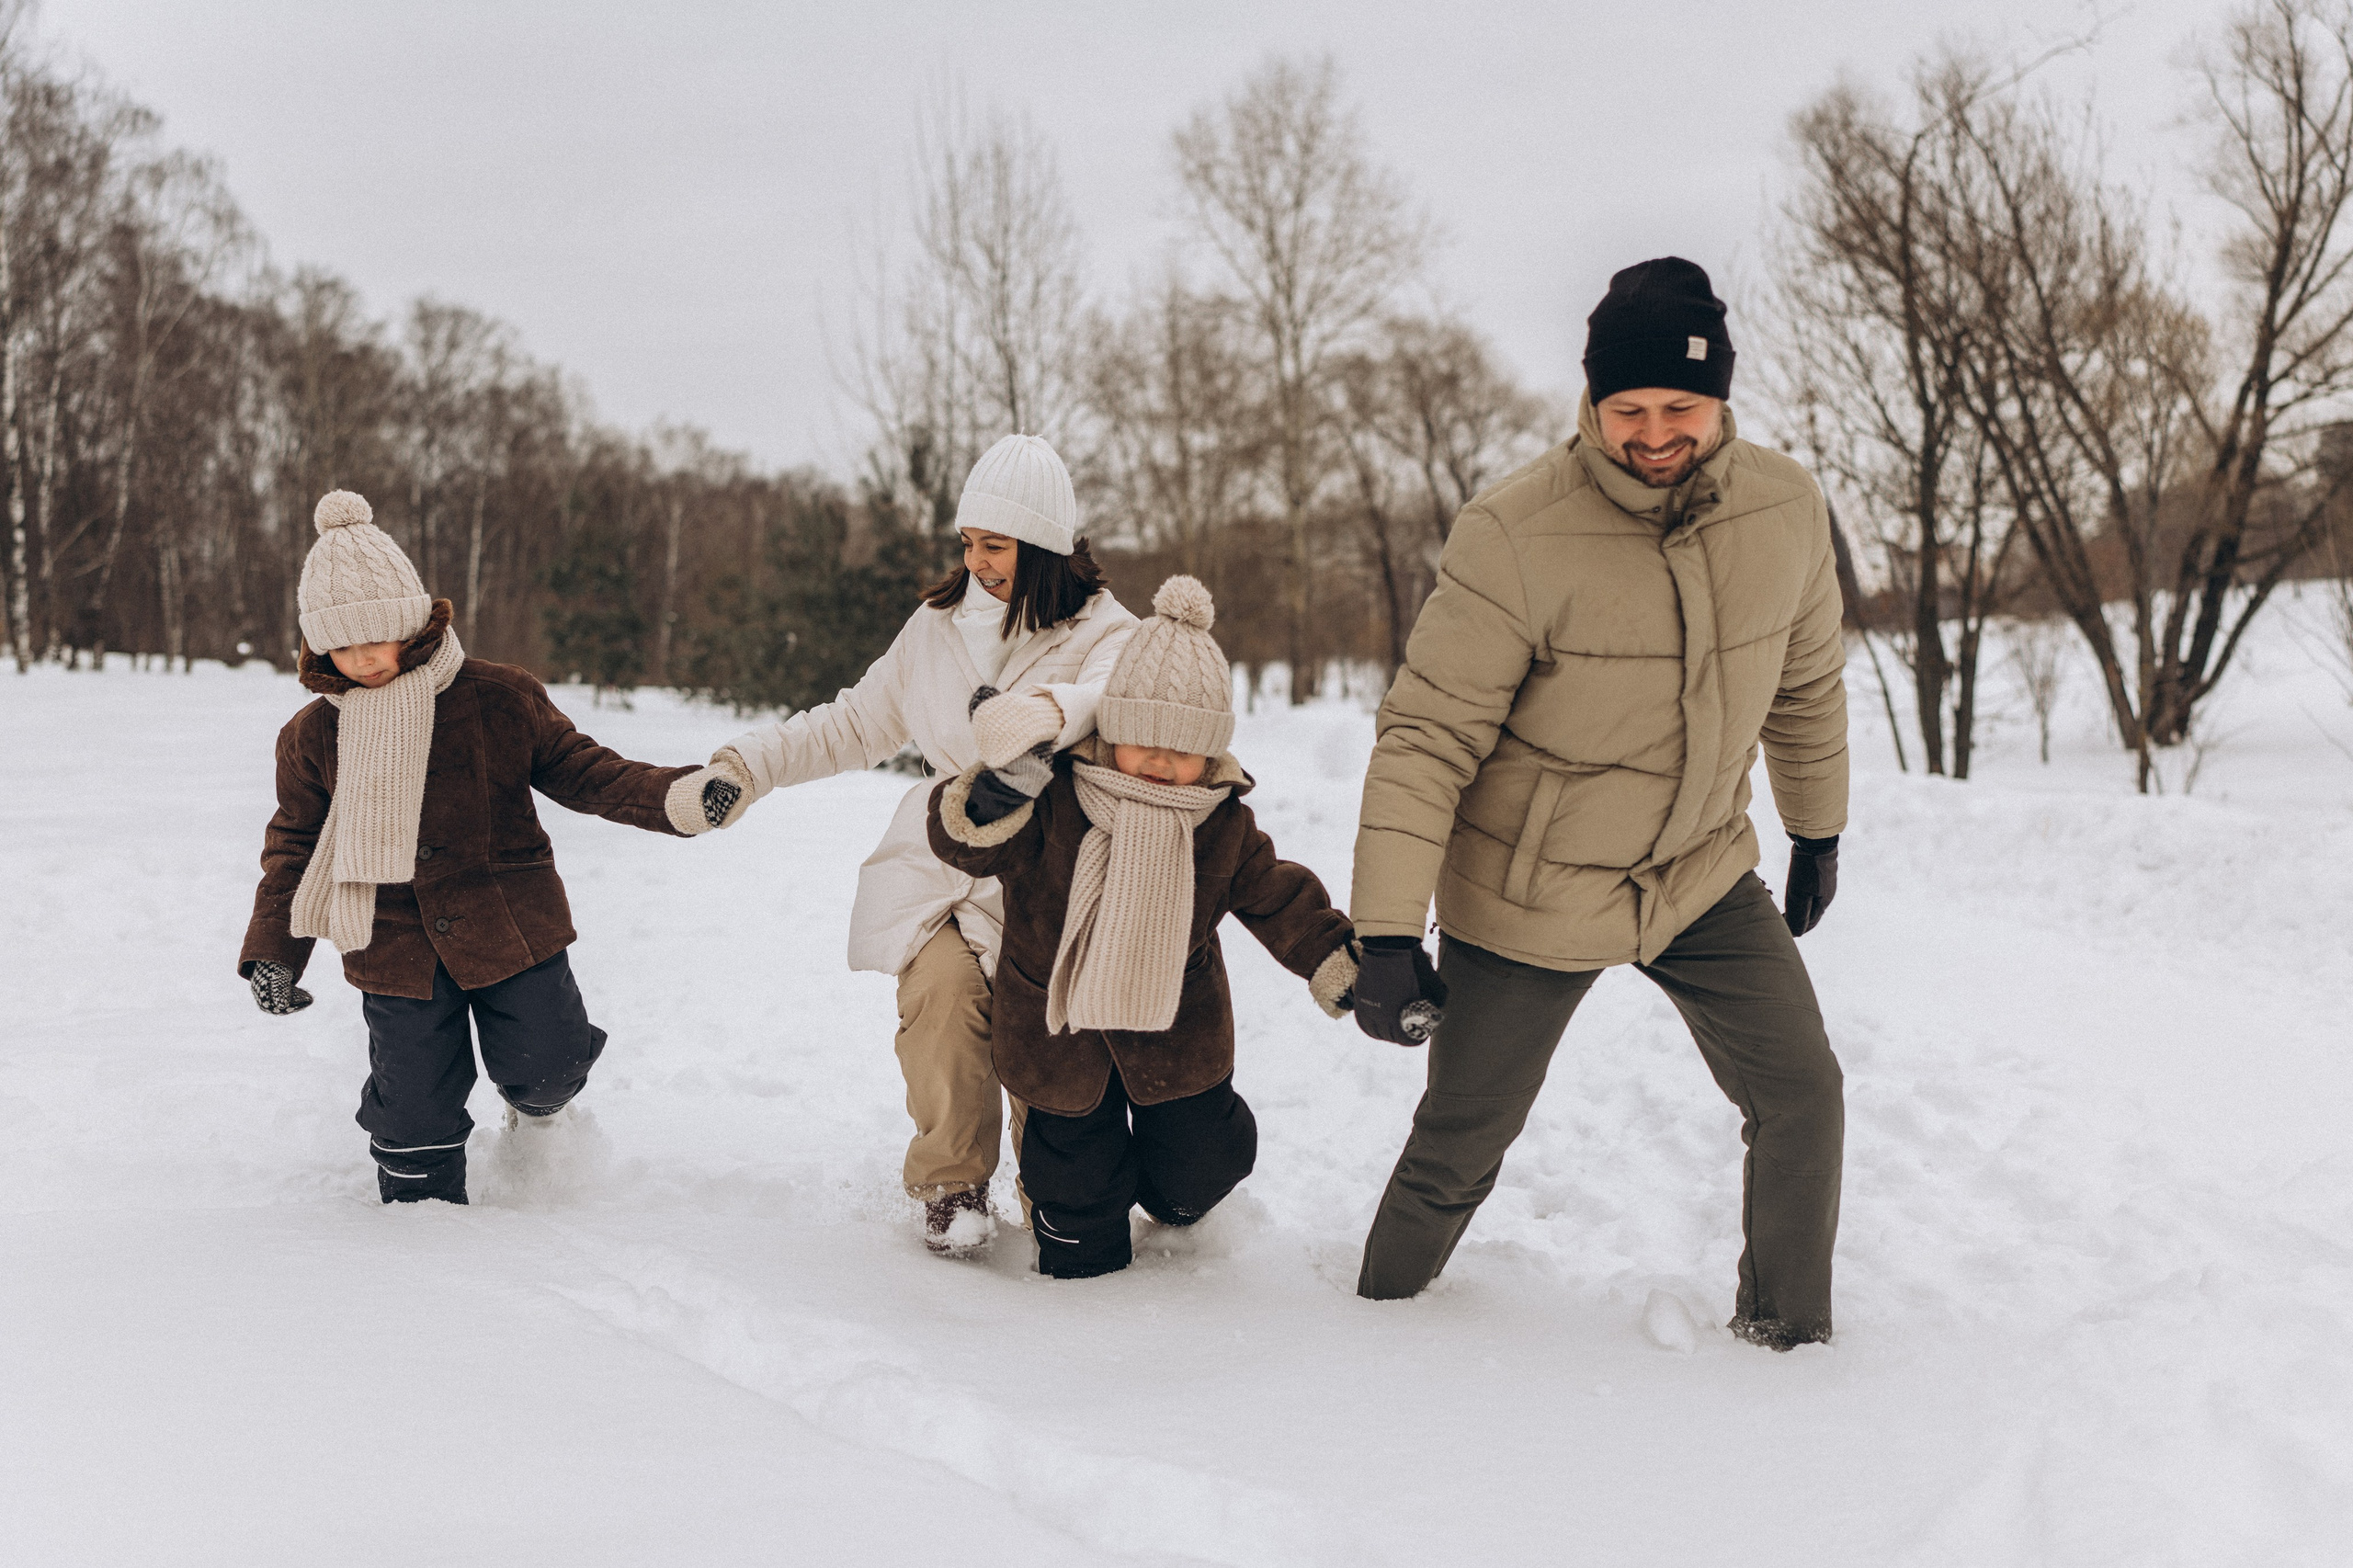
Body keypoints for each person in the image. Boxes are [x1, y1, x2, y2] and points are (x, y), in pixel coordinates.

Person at [1346, 257, 1850, 1349]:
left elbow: (1805, 683)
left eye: (1681, 406)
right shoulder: (1516, 532)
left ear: (1721, 396)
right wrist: (1385, 932)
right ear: (1590, 400)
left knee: (1802, 1089)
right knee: (1462, 1136)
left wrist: (1817, 827)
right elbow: (1427, 737)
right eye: (1628, 409)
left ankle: (1788, 1346)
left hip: (1697, 872)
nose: (1655, 432)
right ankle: (1374, 1333)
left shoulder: (1787, 507)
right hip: (1531, 889)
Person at [239, 491, 742, 1205]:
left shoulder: (497, 698)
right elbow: (294, 846)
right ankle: (429, 1245)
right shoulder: (313, 735)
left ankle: (537, 1120)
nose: (362, 659)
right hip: (392, 945)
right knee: (413, 1118)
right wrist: (274, 953)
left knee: (549, 1063)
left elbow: (584, 769)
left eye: (375, 636)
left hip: (511, 923)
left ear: (412, 621)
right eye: (341, 645)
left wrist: (680, 796)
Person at [701, 434, 1138, 1255]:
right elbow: (854, 723)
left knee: (1045, 1047)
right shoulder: (937, 627)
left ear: (1043, 545)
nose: (976, 562)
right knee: (939, 1001)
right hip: (947, 861)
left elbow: (1113, 697)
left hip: (1054, 880)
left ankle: (1050, 1187)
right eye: (968, 543)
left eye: (995, 545)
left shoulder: (1108, 631)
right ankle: (951, 1186)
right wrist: (748, 767)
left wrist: (1047, 718)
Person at [926, 576, 1358, 1278]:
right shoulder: (1057, 798)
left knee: (1200, 1168)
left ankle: (1169, 1191)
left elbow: (1277, 896)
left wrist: (1334, 958)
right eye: (1142, 740)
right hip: (1059, 1039)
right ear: (1112, 729)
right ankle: (1088, 1233)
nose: (1159, 761)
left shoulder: (1219, 822)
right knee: (1077, 1210)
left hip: (1177, 1040)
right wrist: (994, 795)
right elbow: (965, 844)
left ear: (1211, 751)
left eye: (1181, 747)